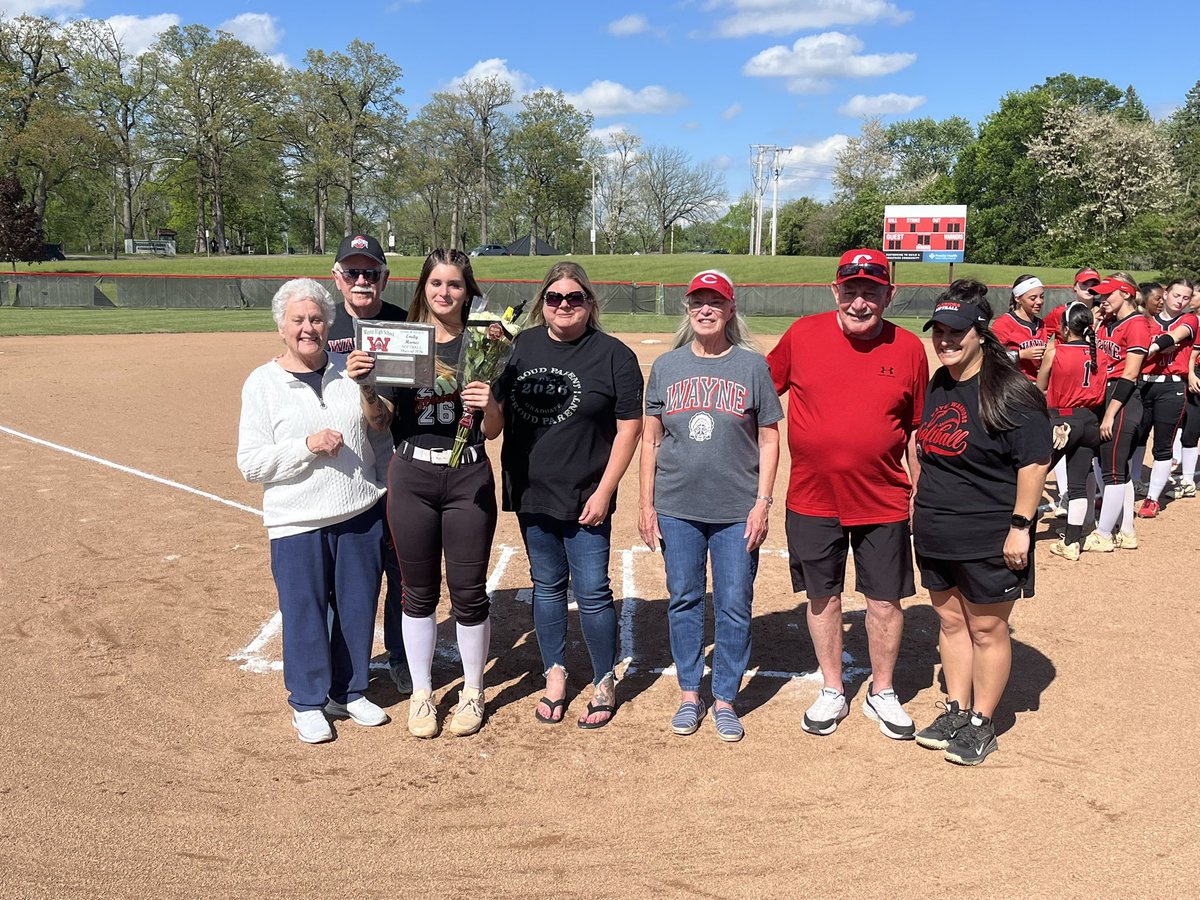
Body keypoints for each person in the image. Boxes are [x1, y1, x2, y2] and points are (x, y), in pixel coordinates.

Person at [767, 249, 929, 740]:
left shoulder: (908, 348)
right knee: (823, 597)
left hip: (883, 500)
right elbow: (756, 395)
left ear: (889, 294)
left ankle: (882, 692)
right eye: (852, 290)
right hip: (812, 498)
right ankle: (833, 688)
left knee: (884, 601)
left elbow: (918, 430)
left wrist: (920, 494)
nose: (861, 302)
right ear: (835, 291)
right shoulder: (802, 335)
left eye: (872, 291)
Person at [350, 249, 502, 738]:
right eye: (436, 283)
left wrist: (489, 401)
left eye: (455, 284)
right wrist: (368, 388)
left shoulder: (485, 342)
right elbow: (381, 421)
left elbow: (494, 431)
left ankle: (473, 691)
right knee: (417, 593)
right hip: (413, 474)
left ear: (467, 290)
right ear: (423, 289)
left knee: (469, 594)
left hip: (468, 475)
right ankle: (421, 693)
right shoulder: (406, 341)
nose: (445, 293)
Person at [237, 278, 393, 744]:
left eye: (317, 319)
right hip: (297, 521)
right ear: (282, 327)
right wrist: (306, 445)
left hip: (358, 511)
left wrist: (368, 387)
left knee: (356, 606)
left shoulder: (349, 371)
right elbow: (251, 463)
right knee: (303, 610)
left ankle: (350, 690)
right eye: (298, 320)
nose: (309, 328)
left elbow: (380, 434)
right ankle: (307, 701)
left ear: (330, 325)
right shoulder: (263, 382)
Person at [495, 261, 644, 728]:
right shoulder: (517, 348)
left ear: (588, 303)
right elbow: (495, 422)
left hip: (586, 494)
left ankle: (602, 680)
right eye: (555, 297)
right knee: (547, 586)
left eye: (574, 297)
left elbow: (629, 428)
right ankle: (555, 674)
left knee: (594, 592)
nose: (564, 305)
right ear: (543, 302)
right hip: (533, 490)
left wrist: (604, 491)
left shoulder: (614, 355)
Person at [912, 279, 1052, 766]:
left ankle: (981, 722)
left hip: (989, 533)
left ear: (979, 330)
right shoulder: (939, 382)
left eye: (955, 332)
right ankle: (957, 708)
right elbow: (925, 445)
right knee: (951, 624)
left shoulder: (1011, 389)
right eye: (938, 332)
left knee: (987, 631)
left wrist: (1021, 525)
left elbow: (1034, 461)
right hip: (935, 528)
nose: (945, 340)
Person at [640, 270, 782, 742]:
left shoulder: (751, 368)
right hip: (678, 504)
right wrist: (646, 504)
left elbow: (768, 437)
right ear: (688, 308)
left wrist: (762, 502)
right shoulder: (666, 366)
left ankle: (724, 699)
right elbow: (651, 440)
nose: (706, 309)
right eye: (698, 301)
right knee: (683, 597)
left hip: (736, 508)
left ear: (730, 310)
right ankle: (688, 693)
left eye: (715, 302)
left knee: (735, 603)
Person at [325, 233, 412, 695]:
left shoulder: (403, 322)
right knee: (348, 578)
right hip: (344, 471)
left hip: (397, 464)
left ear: (384, 277)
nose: (362, 280)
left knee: (401, 570)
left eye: (371, 272)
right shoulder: (322, 322)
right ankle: (346, 665)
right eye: (353, 271)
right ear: (336, 277)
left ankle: (400, 655)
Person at [1082, 275, 1150, 552]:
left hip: (1121, 398)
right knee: (1117, 468)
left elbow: (1130, 374)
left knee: (1112, 471)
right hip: (1107, 395)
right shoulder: (1108, 322)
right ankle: (1127, 530)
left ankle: (1104, 534)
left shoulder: (1137, 324)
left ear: (1125, 293)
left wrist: (1110, 414)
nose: (1101, 299)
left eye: (1107, 294)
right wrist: (1096, 324)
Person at [1036, 301, 1105, 560]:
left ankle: (1021, 528)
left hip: (1061, 420)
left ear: (1065, 327)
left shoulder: (1057, 352)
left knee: (1034, 472)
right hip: (1089, 422)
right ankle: (1072, 542)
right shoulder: (1098, 352)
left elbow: (1041, 387)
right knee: (1078, 485)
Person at [1134, 278, 1196, 517]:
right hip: (1143, 385)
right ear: (1166, 294)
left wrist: (1152, 347)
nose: (1180, 301)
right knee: (1136, 438)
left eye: (1186, 297)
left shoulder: (1189, 319)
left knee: (1163, 445)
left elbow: (1175, 336)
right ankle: (1136, 482)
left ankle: (1152, 499)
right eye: (1176, 295)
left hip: (1171, 388)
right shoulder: (1147, 319)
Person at [993, 274, 1047, 381]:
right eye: (1033, 298)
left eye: (1041, 296)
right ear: (1018, 298)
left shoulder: (1041, 324)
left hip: (1036, 384)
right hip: (1013, 385)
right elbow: (991, 357)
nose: (1039, 302)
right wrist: (1020, 354)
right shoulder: (1004, 323)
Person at [1044, 267, 1101, 339]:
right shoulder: (1061, 311)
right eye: (1084, 284)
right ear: (1074, 287)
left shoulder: (1104, 312)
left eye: (1094, 285)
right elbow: (1041, 334)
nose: (1089, 289)